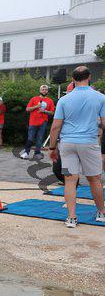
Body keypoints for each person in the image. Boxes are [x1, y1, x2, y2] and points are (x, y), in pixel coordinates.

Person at [48, 66, 105, 228]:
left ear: (73, 80)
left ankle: (71, 217)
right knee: (95, 179)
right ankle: (101, 212)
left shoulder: (64, 100)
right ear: (89, 77)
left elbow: (55, 126)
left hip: (67, 145)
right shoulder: (100, 98)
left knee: (69, 180)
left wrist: (52, 148)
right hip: (89, 143)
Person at [21, 85, 55, 160]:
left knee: (39, 138)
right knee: (30, 138)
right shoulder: (34, 99)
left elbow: (52, 112)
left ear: (47, 91)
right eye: (43, 89)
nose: (44, 91)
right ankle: (26, 153)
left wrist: (44, 111)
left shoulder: (50, 100)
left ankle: (37, 153)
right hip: (33, 122)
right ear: (40, 91)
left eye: (46, 90)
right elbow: (27, 109)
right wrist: (36, 106)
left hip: (43, 122)